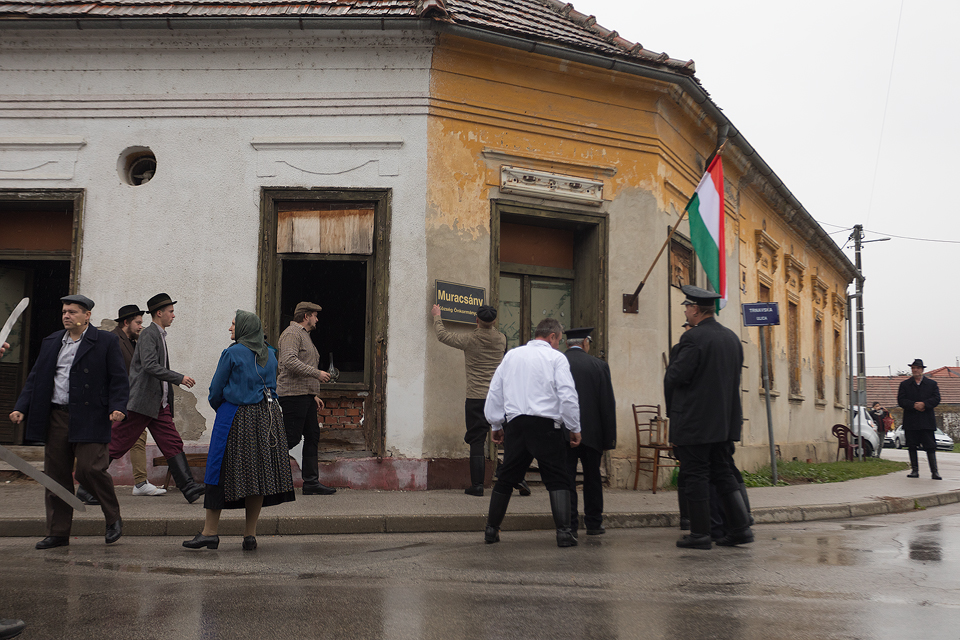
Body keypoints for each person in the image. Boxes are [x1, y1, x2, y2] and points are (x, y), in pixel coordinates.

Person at [9, 294, 128, 549]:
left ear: (87, 315)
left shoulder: (105, 341)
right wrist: (21, 407)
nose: (66, 316)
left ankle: (112, 516)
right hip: (57, 416)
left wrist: (118, 406)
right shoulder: (52, 341)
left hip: (91, 415)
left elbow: (119, 378)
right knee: (56, 476)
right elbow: (36, 378)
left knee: (90, 469)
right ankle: (58, 532)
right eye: (64, 311)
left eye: (72, 312)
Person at [183, 311, 295, 551]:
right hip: (267, 417)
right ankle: (250, 535)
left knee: (219, 471)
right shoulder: (270, 354)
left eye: (234, 324)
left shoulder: (232, 353)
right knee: (256, 475)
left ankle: (210, 533)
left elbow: (215, 390)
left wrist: (223, 407)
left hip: (235, 417)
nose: (230, 328)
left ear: (245, 327)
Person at [664, 285, 752, 550]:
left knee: (695, 475)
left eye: (687, 308)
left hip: (696, 423)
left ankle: (700, 534)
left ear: (694, 309)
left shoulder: (693, 338)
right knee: (723, 472)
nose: (686, 312)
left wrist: (673, 412)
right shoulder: (731, 338)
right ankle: (740, 528)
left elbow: (676, 376)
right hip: (724, 422)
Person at [483, 318, 582, 548]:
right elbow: (567, 395)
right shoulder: (556, 358)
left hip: (517, 424)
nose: (558, 344)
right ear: (552, 336)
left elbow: (495, 390)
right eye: (558, 340)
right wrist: (574, 427)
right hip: (546, 425)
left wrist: (496, 424)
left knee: (506, 478)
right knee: (558, 478)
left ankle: (491, 529)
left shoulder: (512, 356)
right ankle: (564, 533)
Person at [109, 293, 206, 503]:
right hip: (142, 403)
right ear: (159, 313)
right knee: (117, 442)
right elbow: (150, 365)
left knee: (172, 443)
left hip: (157, 405)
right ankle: (87, 486)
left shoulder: (158, 334)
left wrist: (167, 398)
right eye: (171, 311)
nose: (174, 315)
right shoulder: (149, 334)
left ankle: (189, 488)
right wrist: (179, 378)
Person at [431, 302, 521, 497]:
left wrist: (437, 315)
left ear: (476, 320)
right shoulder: (502, 339)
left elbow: (442, 335)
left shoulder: (469, 339)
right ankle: (517, 477)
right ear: (494, 321)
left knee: (477, 440)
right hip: (498, 398)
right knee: (508, 438)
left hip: (476, 397)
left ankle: (478, 485)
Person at [277, 301, 335, 495]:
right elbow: (289, 361)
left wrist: (313, 394)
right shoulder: (292, 333)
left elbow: (302, 363)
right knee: (290, 437)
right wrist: (317, 374)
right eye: (315, 316)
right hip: (293, 395)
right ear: (306, 316)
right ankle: (267, 477)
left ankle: (311, 482)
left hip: (305, 395)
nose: (317, 320)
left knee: (312, 436)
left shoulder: (304, 335)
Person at [563, 327, 616, 536]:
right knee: (593, 477)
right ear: (586, 342)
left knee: (566, 478)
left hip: (564, 432)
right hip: (592, 433)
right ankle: (594, 522)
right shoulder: (599, 366)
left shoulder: (558, 364)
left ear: (566, 344)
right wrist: (609, 438)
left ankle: (569, 524)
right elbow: (607, 404)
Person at [112, 304, 165, 496]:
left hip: (132, 400)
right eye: (138, 322)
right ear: (126, 322)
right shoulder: (113, 340)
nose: (141, 326)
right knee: (110, 442)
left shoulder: (134, 342)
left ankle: (141, 482)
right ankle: (89, 480)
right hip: (117, 401)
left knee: (137, 438)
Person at [897, 359, 942, 480]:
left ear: (922, 369)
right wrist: (913, 405)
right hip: (911, 421)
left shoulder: (931, 384)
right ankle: (914, 470)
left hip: (926, 421)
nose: (915, 370)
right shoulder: (905, 384)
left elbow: (936, 398)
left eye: (917, 368)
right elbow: (901, 400)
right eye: (913, 368)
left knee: (930, 446)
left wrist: (924, 404)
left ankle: (934, 472)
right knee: (912, 445)